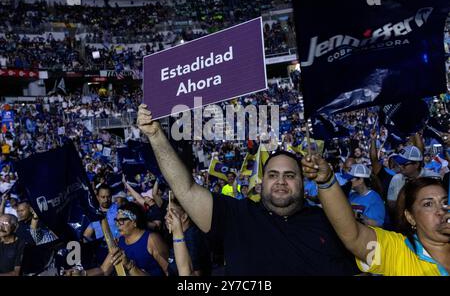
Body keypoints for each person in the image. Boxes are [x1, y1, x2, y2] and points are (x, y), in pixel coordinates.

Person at [137, 105, 358, 275]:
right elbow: (184, 189)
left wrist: (327, 180)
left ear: (303, 182)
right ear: (262, 182)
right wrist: (156, 135)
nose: (281, 181)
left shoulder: (329, 222)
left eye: (290, 176)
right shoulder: (237, 216)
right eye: (273, 175)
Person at [302, 155, 449, 276]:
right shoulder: (397, 252)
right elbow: (354, 235)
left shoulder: (373, 198)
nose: (441, 210)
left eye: (445, 202)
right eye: (428, 204)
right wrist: (326, 182)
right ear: (410, 217)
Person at [67, 202, 169, 276]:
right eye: (116, 221)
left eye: (122, 221)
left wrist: (130, 265)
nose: (117, 225)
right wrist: (82, 273)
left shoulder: (151, 239)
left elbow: (169, 271)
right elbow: (104, 270)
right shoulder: (119, 241)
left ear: (134, 222)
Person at [387, 145, 441, 214]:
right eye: (399, 163)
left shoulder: (433, 178)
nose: (400, 166)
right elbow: (391, 204)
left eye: (404, 164)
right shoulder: (396, 179)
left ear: (416, 164)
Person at [164, 199, 211, 276]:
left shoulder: (192, 239)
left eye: (172, 212)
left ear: (184, 216)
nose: (166, 217)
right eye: (166, 212)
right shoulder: (182, 235)